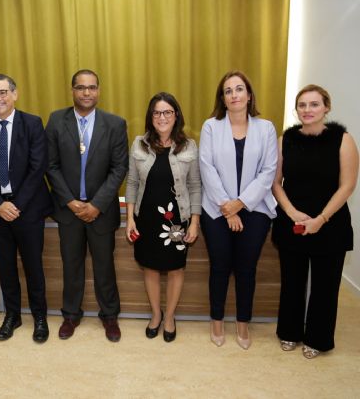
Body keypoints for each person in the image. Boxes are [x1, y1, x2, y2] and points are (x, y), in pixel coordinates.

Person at [271, 85, 358, 359]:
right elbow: (275, 183)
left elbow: (347, 186)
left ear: (326, 107)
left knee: (325, 286)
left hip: (330, 224)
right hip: (292, 221)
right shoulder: (286, 139)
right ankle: (289, 333)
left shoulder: (342, 140)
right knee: (292, 282)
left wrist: (321, 219)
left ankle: (318, 339)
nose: (307, 110)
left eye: (314, 104)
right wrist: (291, 212)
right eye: (302, 105)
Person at [45, 69, 128, 342]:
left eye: (92, 87)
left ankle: (110, 316)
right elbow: (51, 165)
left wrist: (96, 205)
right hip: (68, 211)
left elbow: (119, 169)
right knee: (72, 265)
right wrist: (70, 201)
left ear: (99, 90)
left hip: (100, 212)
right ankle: (70, 314)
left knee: (105, 267)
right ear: (72, 90)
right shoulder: (57, 120)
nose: (86, 93)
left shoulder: (115, 124)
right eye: (81, 87)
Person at [199, 70, 277, 349]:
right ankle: (217, 319)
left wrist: (240, 204)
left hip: (255, 208)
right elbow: (206, 168)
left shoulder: (266, 128)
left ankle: (243, 323)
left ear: (249, 94)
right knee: (219, 266)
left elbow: (268, 172)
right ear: (223, 97)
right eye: (228, 90)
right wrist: (228, 210)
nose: (234, 95)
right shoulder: (211, 126)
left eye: (239, 89)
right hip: (216, 208)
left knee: (246, 268)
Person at [0, 74, 52, 343]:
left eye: (3, 92)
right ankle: (12, 315)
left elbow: (37, 166)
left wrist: (15, 205)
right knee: (5, 267)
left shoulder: (32, 124)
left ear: (14, 94)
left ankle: (39, 317)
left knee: (33, 267)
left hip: (27, 209)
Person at [125, 92, 201, 342]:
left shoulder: (188, 145)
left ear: (176, 115)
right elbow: (133, 183)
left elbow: (195, 186)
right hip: (146, 218)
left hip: (176, 219)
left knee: (176, 268)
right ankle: (156, 315)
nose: (162, 117)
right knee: (150, 268)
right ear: (151, 117)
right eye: (157, 112)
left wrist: (195, 221)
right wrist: (130, 219)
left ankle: (170, 316)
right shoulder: (139, 144)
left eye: (167, 112)